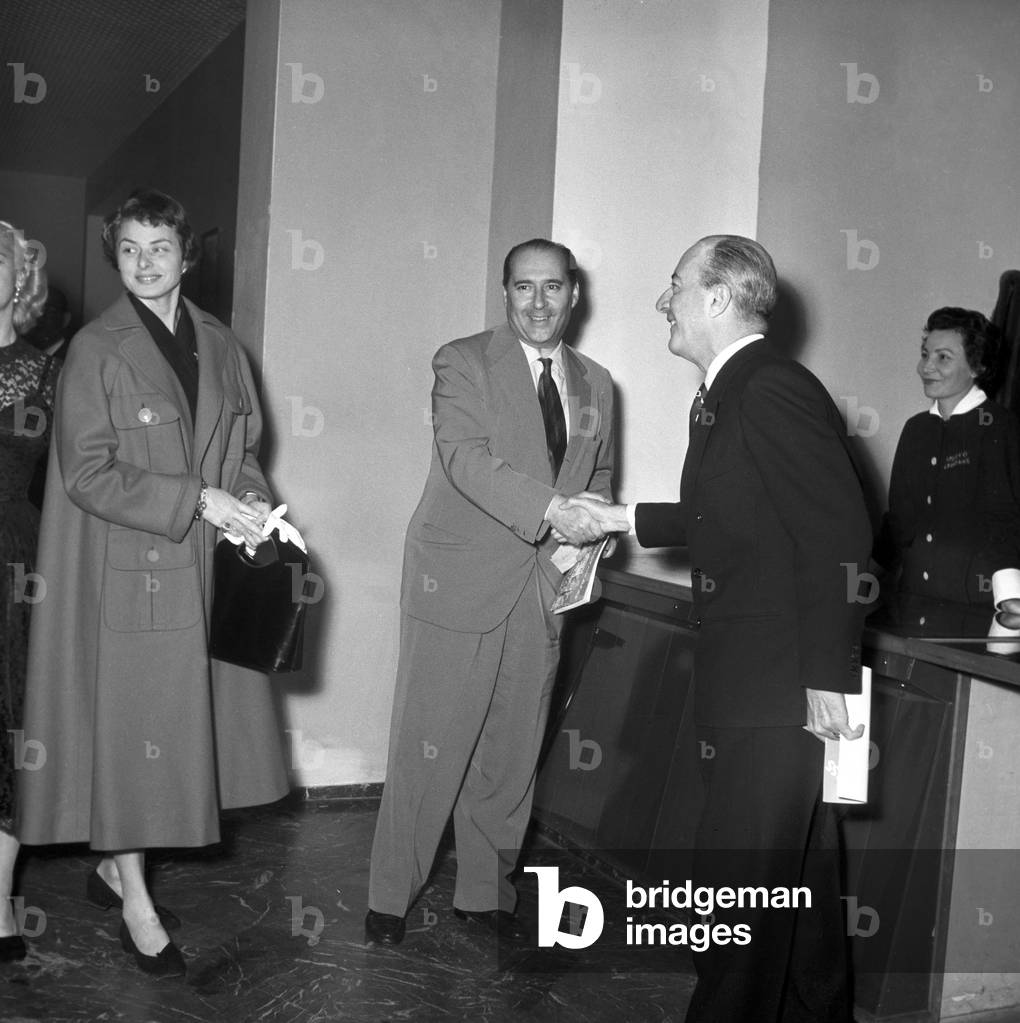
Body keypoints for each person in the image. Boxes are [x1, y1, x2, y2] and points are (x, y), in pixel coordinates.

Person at [570, 236, 871, 1023]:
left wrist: (830, 676)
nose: (662, 301)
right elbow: (735, 519)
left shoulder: (770, 387)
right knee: (796, 889)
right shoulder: (727, 391)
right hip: (756, 681)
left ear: (716, 298)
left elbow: (840, 531)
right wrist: (623, 516)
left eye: (673, 285)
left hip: (782, 688)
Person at [17, 189, 289, 977]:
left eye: (159, 247)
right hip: (133, 576)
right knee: (133, 749)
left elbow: (242, 444)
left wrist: (251, 498)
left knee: (179, 742)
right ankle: (136, 899)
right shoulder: (96, 350)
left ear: (186, 254)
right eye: (129, 249)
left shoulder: (221, 343)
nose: (144, 262)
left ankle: (117, 869)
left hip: (204, 572)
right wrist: (200, 499)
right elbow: (88, 473)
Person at [365, 239, 615, 946]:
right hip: (457, 581)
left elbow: (596, 477)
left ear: (575, 293)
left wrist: (589, 529)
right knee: (429, 744)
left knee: (512, 749)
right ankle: (390, 894)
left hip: (542, 589)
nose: (539, 302)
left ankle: (486, 891)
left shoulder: (598, 382)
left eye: (553, 287)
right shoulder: (463, 361)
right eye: (523, 288)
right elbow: (466, 458)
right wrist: (553, 509)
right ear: (505, 294)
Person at [874, 307, 1020, 604]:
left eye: (943, 357)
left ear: (977, 366)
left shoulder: (1000, 426)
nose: (926, 367)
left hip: (977, 604)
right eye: (926, 354)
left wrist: (1010, 603)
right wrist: (861, 580)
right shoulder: (916, 429)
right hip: (914, 598)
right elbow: (899, 523)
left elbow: (1004, 520)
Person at [0, 221, 52, 963]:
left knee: (7, 723)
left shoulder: (45, 370)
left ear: (21, 276)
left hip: (12, 563)